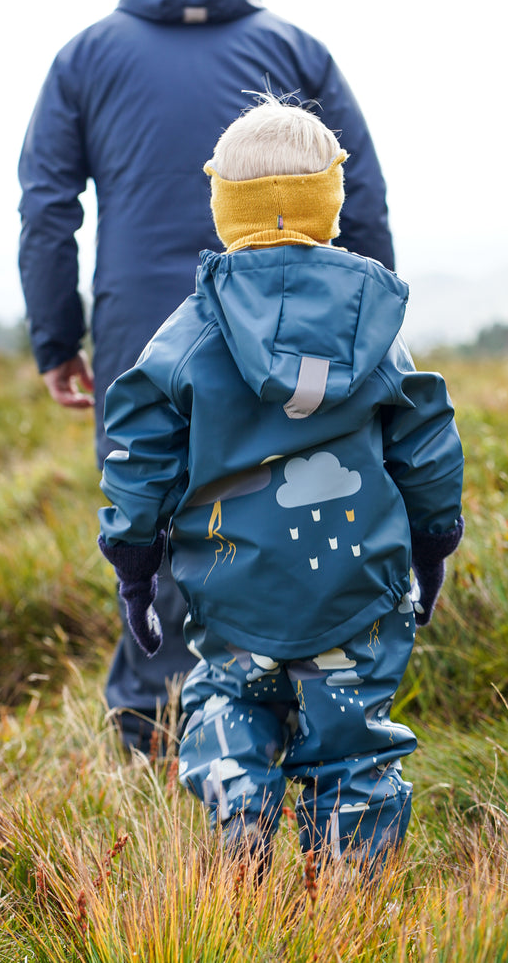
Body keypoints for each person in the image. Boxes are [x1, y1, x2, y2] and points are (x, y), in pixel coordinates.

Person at [18, 0, 396, 753]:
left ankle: (158, 738)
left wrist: (58, 339)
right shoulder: (292, 48)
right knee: (300, 514)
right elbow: (360, 196)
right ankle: (307, 723)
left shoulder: (86, 57)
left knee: (150, 519)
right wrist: (368, 331)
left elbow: (48, 206)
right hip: (300, 325)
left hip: (141, 328)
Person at [97, 97, 464, 875]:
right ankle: (347, 902)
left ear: (225, 209)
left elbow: (137, 452)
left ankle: (241, 824)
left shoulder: (188, 335)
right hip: (357, 593)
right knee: (352, 746)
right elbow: (428, 444)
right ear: (330, 207)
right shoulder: (375, 330)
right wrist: (433, 545)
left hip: (234, 597)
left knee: (228, 707)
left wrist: (134, 562)